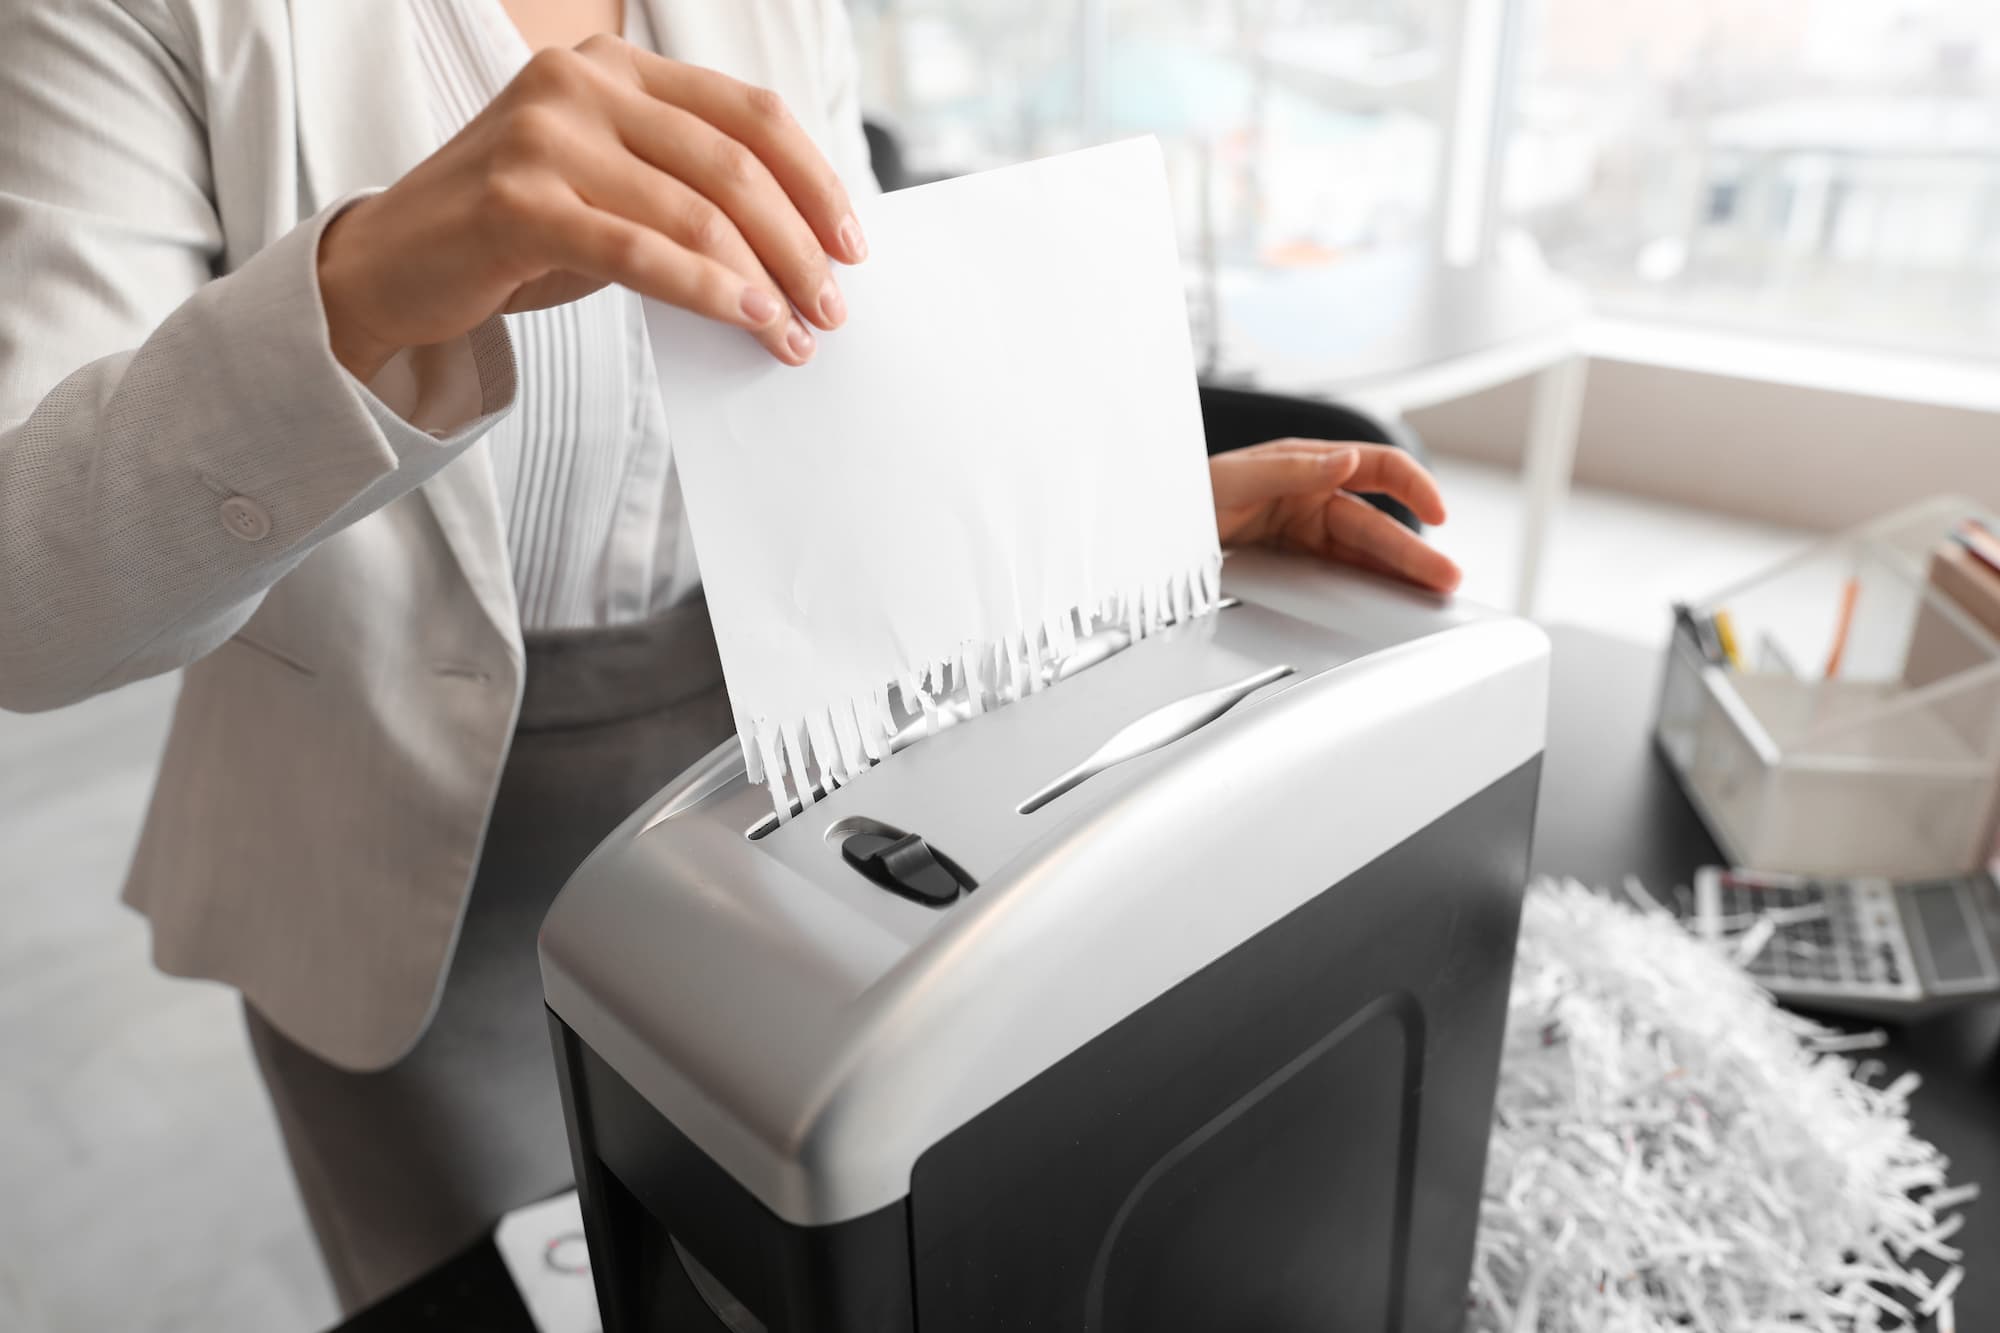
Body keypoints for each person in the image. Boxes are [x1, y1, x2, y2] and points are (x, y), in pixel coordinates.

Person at [0, 0, 1462, 1312]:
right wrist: (367, 285)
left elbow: (842, 382)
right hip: (371, 874)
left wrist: (1125, 523)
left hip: (765, 816)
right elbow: (25, 597)